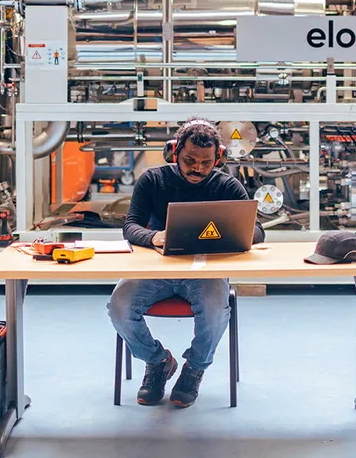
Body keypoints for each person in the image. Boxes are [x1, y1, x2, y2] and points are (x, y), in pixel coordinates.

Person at [107, 119, 265, 408]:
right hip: (157, 269)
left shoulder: (227, 185)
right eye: (189, 160)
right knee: (119, 307)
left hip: (207, 272)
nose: (197, 169)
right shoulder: (153, 180)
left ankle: (193, 370)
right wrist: (154, 237)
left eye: (206, 163)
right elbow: (130, 227)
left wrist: (229, 235)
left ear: (218, 158)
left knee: (216, 312)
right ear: (174, 152)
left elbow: (257, 231)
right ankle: (158, 362)